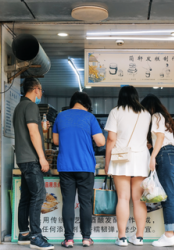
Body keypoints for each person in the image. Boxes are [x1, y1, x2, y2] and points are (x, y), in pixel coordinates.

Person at [52, 92, 105, 248]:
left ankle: (68, 239)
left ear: (72, 103)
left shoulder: (60, 116)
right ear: (87, 104)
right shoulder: (89, 117)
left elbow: (55, 141)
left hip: (66, 166)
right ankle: (86, 239)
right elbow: (101, 142)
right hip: (85, 166)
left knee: (68, 202)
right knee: (85, 203)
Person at [104, 86, 152, 247]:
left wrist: (107, 162)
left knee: (123, 198)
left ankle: (122, 237)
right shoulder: (145, 113)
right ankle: (139, 237)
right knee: (139, 200)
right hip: (141, 158)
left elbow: (111, 140)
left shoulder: (116, 112)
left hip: (121, 158)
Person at [13, 78, 54, 250]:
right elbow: (33, 133)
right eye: (41, 90)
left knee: (27, 197)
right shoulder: (30, 106)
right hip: (31, 159)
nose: (41, 94)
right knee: (38, 195)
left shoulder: (18, 106)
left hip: (22, 159)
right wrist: (42, 158)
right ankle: (36, 237)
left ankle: (24, 233)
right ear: (36, 89)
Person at [141, 95, 174, 247]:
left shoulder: (155, 116)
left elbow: (160, 138)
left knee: (168, 198)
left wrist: (153, 156)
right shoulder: (165, 118)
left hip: (165, 156)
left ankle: (168, 235)